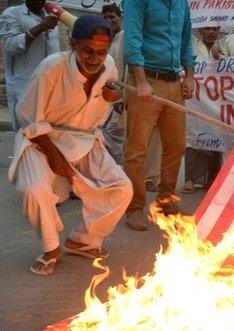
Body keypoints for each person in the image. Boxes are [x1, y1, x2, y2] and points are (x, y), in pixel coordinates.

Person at [9, 15, 132, 276]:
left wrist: (112, 96)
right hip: (42, 138)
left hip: (84, 138)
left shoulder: (109, 66)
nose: (94, 58)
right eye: (88, 50)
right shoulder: (51, 68)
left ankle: (83, 241)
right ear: (73, 44)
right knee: (34, 188)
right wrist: (54, 157)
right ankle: (51, 248)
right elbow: (27, 116)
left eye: (101, 52)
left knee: (122, 189)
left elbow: (104, 100)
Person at [123, 0, 196, 231]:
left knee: (176, 147)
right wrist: (141, 81)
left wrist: (190, 76)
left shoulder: (181, 3)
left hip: (174, 82)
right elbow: (132, 40)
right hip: (146, 81)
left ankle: (166, 202)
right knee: (137, 149)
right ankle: (134, 207)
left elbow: (186, 41)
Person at [0, 0, 59, 131]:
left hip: (50, 85)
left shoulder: (50, 13)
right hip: (24, 85)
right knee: (26, 133)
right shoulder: (12, 14)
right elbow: (10, 45)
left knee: (48, 133)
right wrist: (40, 28)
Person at [182, 26, 223, 194]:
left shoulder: (223, 47)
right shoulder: (192, 46)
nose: (211, 33)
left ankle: (210, 179)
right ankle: (189, 179)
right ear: (200, 32)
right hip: (195, 100)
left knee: (215, 139)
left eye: (214, 30)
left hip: (216, 101)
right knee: (192, 138)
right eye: (208, 29)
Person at [101, 3, 126, 165]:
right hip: (102, 99)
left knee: (113, 139)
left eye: (112, 17)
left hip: (119, 99)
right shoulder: (103, 40)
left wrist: (120, 98)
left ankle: (116, 176)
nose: (109, 20)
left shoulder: (125, 38)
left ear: (120, 18)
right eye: (105, 18)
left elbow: (127, 70)